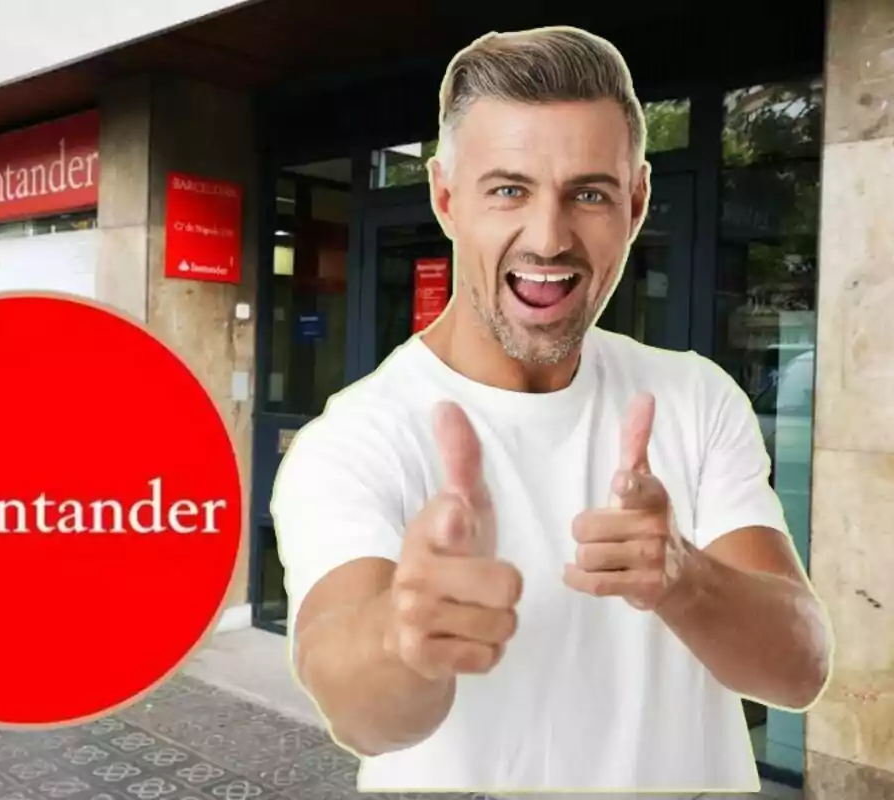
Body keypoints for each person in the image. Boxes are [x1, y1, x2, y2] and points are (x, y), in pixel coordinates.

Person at [270, 25, 832, 795]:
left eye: (588, 194)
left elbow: (800, 671)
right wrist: (408, 635)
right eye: (508, 189)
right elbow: (359, 710)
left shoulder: (695, 399)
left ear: (635, 203)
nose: (547, 237)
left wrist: (685, 579)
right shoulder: (356, 437)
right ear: (445, 197)